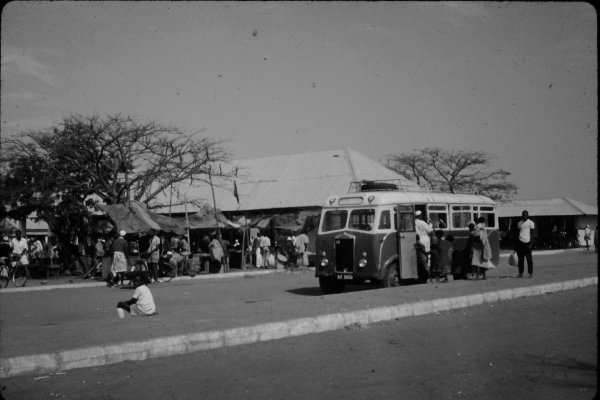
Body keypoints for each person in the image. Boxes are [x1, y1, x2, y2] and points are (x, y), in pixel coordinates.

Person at [516, 210, 535, 278]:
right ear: (522, 216)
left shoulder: (531, 223)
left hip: (528, 243)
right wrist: (516, 246)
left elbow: (532, 234)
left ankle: (530, 273)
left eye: (526, 215)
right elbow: (518, 234)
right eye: (523, 215)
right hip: (520, 243)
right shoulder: (519, 223)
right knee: (520, 260)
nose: (524, 216)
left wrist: (531, 244)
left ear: (528, 215)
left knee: (529, 260)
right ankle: (520, 273)